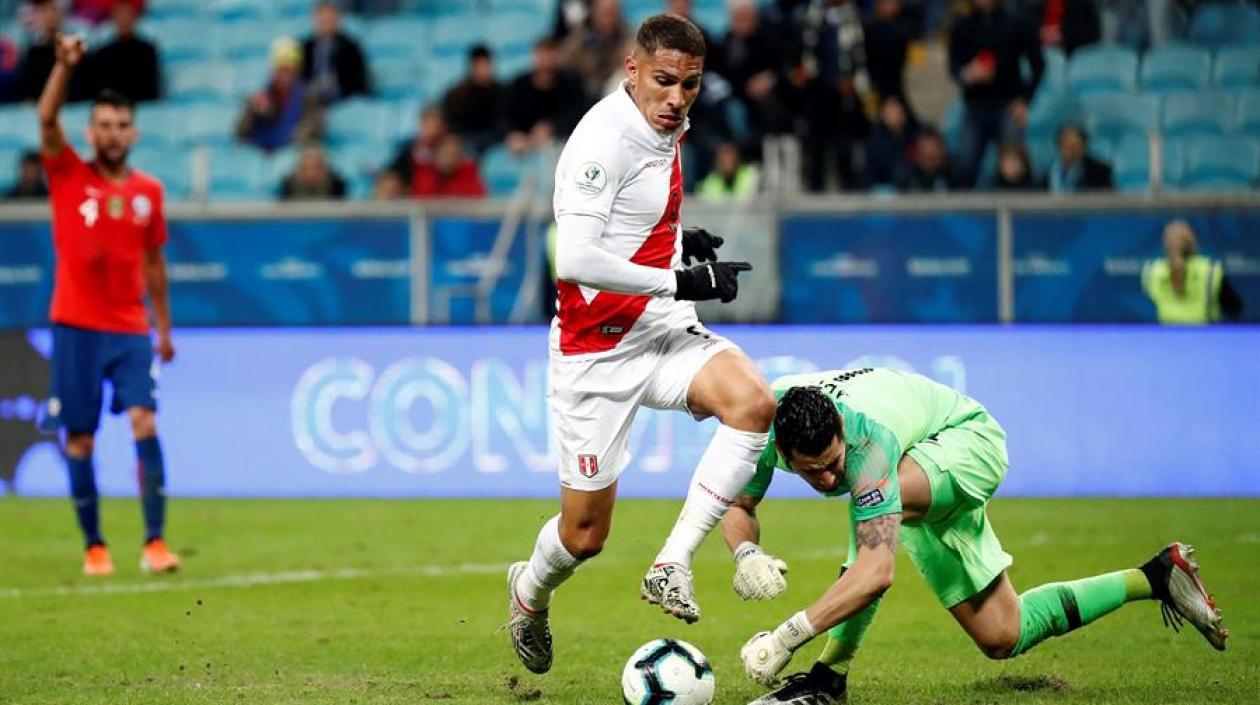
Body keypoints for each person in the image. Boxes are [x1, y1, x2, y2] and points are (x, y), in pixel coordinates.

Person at [506, 14, 775, 676]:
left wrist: (680, 242)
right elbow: (574, 257)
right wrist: (679, 277)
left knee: (753, 403)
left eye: (690, 84)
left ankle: (671, 562)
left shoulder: (666, 122)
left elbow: (635, 217)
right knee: (584, 535)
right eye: (664, 81)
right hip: (596, 350)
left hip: (660, 326)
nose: (677, 98)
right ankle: (529, 591)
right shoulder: (602, 142)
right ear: (632, 70)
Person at [726, 369, 1228, 703]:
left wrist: (787, 637)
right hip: (921, 458)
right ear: (783, 454)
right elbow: (737, 504)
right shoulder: (758, 427)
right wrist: (745, 551)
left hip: (967, 441)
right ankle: (1156, 576)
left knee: (873, 511)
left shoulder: (869, 445)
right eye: (812, 472)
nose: (828, 479)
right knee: (1002, 635)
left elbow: (876, 572)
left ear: (840, 430)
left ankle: (829, 677)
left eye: (834, 463)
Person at [36, 34, 179, 576]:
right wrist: (63, 67)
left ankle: (155, 543)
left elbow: (155, 265)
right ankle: (95, 546)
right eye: (104, 125)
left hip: (130, 329)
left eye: (121, 125)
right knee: (80, 437)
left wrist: (163, 331)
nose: (113, 134)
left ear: (134, 133)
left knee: (144, 420)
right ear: (90, 133)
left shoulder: (149, 193)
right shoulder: (68, 173)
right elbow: (46, 119)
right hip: (75, 325)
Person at [948, 0, 1044, 188]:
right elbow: (953, 66)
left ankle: (1021, 205)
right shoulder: (963, 24)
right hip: (975, 105)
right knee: (965, 164)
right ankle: (963, 206)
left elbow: (1038, 64)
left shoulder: (1016, 22)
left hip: (1008, 103)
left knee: (1014, 166)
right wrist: (968, 73)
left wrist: (1025, 100)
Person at [1141, 219, 1243, 324]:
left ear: (1165, 244)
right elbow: (1234, 306)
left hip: (1166, 332)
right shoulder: (1209, 270)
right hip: (1205, 332)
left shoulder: (1153, 270)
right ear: (1193, 242)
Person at [504, 38, 587, 157]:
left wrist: (552, 127)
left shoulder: (571, 83)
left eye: (550, 57)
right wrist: (513, 134)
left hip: (563, 146)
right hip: (524, 149)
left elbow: (579, 114)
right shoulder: (519, 85)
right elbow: (505, 117)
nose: (546, 63)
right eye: (542, 57)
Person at [236, 38, 320, 153]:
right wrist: (253, 112)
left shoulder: (310, 98)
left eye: (290, 69)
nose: (285, 75)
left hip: (292, 154)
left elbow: (312, 128)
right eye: (281, 69)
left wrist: (287, 145)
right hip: (261, 154)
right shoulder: (259, 97)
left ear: (298, 71)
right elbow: (240, 135)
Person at [85, 0, 160, 102]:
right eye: (119, 14)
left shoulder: (147, 51)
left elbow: (150, 89)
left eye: (128, 14)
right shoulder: (103, 54)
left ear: (135, 17)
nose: (123, 19)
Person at [301, 0, 371, 105]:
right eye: (322, 18)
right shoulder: (305, 47)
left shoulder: (351, 48)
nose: (326, 21)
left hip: (342, 97)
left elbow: (360, 82)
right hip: (311, 96)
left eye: (329, 17)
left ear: (338, 19)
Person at [440, 44, 504, 155]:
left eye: (486, 64)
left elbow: (505, 123)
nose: (483, 69)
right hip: (465, 145)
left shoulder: (502, 92)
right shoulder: (456, 95)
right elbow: (451, 125)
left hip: (496, 144)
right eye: (479, 65)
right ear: (471, 66)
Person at [559, 0, 631, 98]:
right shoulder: (579, 38)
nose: (609, 19)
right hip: (582, 93)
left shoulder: (627, 37)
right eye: (606, 13)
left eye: (613, 13)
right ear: (594, 14)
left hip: (611, 92)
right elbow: (564, 60)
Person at [862, 94, 917, 189]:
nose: (895, 117)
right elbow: (870, 171)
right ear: (883, 116)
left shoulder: (916, 134)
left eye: (898, 113)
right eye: (890, 113)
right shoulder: (875, 141)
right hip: (885, 187)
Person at [409, 134, 486, 198]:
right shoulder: (424, 173)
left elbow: (476, 199)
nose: (450, 160)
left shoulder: (469, 173)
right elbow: (422, 200)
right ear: (435, 155)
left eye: (454, 155)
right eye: (446, 154)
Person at [1047, 123, 1111, 193]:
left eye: (1076, 146)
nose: (1072, 151)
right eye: (1067, 147)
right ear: (1059, 147)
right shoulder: (1049, 172)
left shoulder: (1100, 172)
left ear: (1084, 147)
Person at [278, 145, 346, 200]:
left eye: (317, 168)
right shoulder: (288, 186)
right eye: (306, 169)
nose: (311, 174)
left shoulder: (337, 185)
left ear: (324, 168)